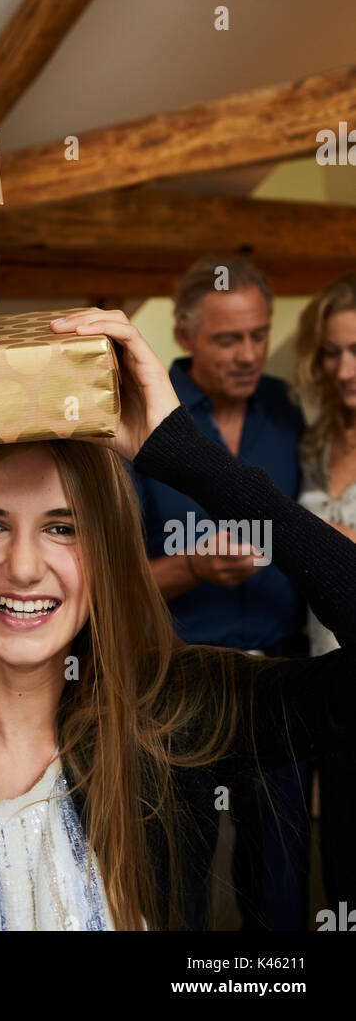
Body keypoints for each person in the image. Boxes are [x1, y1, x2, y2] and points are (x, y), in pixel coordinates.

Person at [0, 309, 355, 931]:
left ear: (106, 551)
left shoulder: (178, 713)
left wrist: (188, 457)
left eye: (62, 528)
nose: (25, 565)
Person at [132, 256, 311, 931]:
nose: (249, 355)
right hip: (177, 689)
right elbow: (104, 585)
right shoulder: (143, 419)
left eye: (259, 335)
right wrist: (192, 569)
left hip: (283, 683)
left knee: (282, 887)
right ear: (184, 337)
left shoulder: (289, 413)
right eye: (227, 340)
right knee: (177, 886)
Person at [293, 272, 356, 907]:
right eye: (334, 351)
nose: (344, 367)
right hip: (328, 679)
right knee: (338, 864)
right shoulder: (314, 441)